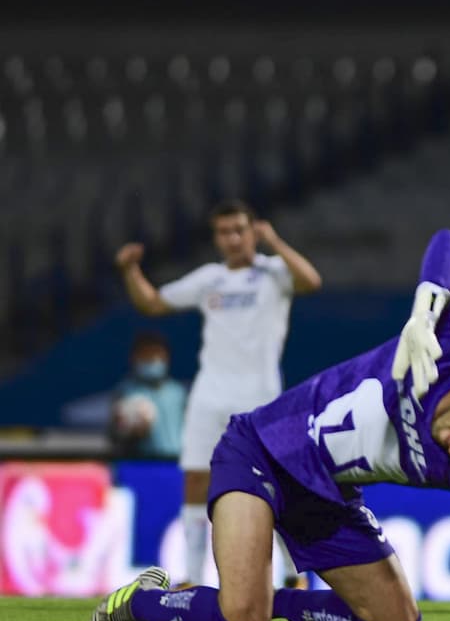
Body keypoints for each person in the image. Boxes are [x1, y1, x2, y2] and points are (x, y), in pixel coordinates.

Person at [87, 228, 450, 621]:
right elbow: (449, 245)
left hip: (325, 498)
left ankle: (282, 601)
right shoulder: (440, 352)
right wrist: (424, 307)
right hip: (259, 452)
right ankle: (142, 600)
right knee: (243, 620)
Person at [115, 199, 323, 588]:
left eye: (239, 230)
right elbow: (153, 303)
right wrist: (129, 270)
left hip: (259, 395)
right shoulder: (209, 278)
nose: (232, 239)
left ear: (253, 231)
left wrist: (275, 243)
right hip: (210, 393)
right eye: (224, 232)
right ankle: (192, 575)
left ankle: (295, 574)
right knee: (196, 480)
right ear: (216, 238)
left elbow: (311, 281)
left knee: (275, 482)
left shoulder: (273, 273)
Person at [109, 332, 188, 459]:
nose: (152, 359)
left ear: (166, 357)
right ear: (134, 358)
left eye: (157, 354)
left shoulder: (178, 392)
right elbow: (114, 435)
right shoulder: (125, 391)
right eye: (146, 355)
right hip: (142, 464)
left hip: (176, 464)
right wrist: (128, 431)